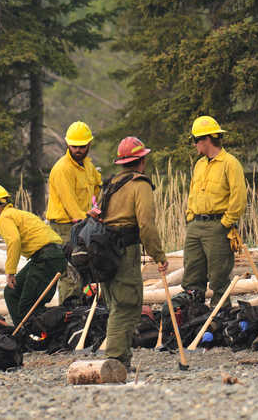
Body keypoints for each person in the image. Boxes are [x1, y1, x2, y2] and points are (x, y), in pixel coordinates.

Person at [100, 137, 168, 369]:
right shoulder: (140, 185)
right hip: (125, 253)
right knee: (127, 305)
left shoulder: (111, 184)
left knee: (116, 304)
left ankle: (122, 360)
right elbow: (146, 225)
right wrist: (158, 255)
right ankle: (116, 361)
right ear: (142, 160)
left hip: (105, 254)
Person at [0, 184, 66, 326]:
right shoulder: (16, 214)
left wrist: (10, 272)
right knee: (11, 292)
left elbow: (14, 241)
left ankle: (37, 336)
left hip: (46, 259)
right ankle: (23, 331)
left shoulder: (5, 217)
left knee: (28, 306)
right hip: (47, 257)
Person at [183, 115, 247, 307]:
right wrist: (190, 217)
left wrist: (225, 223)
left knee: (219, 277)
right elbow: (192, 193)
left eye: (196, 140)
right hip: (196, 226)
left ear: (207, 139)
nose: (195, 145)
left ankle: (221, 317)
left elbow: (239, 197)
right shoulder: (200, 164)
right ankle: (193, 313)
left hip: (218, 226)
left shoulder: (230, 163)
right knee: (192, 275)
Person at [46, 121, 102, 302]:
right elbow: (69, 203)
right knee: (70, 273)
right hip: (64, 227)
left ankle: (86, 310)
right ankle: (68, 313)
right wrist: (88, 216)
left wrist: (95, 207)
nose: (78, 149)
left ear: (89, 144)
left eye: (82, 146)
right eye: (74, 146)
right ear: (67, 144)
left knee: (86, 269)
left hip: (83, 224)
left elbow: (97, 186)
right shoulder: (62, 169)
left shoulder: (88, 166)